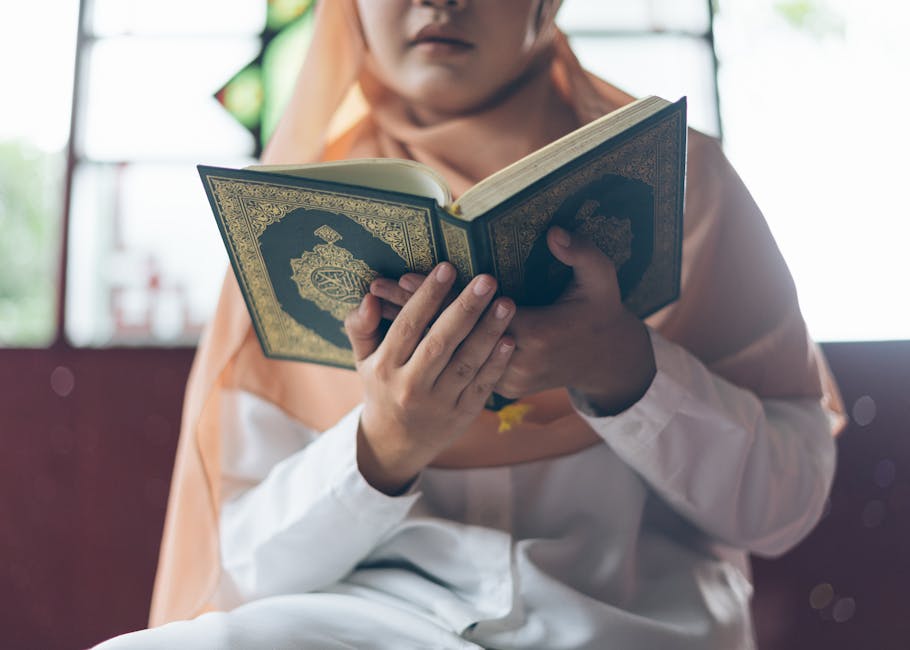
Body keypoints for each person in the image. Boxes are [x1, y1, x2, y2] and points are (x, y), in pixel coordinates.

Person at [96, 0, 844, 648]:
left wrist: (626, 370)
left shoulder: (685, 188)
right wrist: (383, 446)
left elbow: (785, 507)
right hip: (368, 626)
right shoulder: (293, 225)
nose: (438, 0)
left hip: (631, 624)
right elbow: (242, 568)